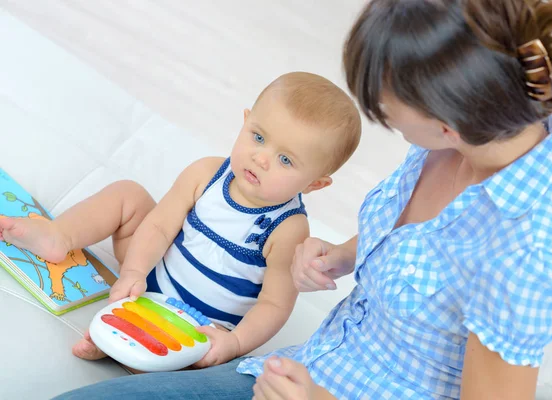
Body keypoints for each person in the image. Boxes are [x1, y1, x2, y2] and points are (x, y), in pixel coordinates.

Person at [51, 0, 552, 398]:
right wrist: (344, 254)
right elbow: (422, 245)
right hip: (299, 370)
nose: (379, 110)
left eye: (386, 106)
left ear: (447, 120)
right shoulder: (473, 135)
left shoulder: (530, 253)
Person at [0, 71, 361, 369]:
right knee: (129, 195)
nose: (262, 159)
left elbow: (275, 304)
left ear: (315, 184)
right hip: (150, 278)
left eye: (286, 160)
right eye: (259, 137)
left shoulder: (288, 228)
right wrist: (133, 273)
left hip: (202, 328)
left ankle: (125, 349)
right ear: (245, 120)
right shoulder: (206, 174)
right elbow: (158, 227)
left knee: (186, 365)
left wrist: (234, 343)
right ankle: (58, 235)